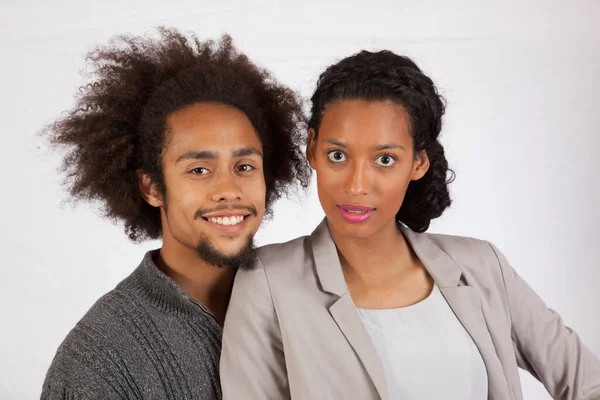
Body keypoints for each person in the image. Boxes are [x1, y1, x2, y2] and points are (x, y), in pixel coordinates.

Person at [220, 49, 600, 399]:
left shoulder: (483, 267)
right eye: (338, 154)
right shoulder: (267, 281)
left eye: (384, 159)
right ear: (312, 149)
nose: (356, 185)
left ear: (418, 163)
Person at [41, 27, 309, 399]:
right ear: (152, 187)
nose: (229, 189)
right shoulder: (99, 361)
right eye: (199, 169)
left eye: (245, 166)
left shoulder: (303, 302)